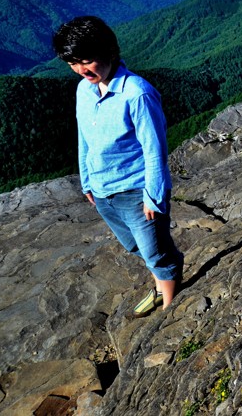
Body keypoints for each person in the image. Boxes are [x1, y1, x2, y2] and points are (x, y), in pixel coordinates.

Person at [53, 16, 183, 317]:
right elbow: (84, 137)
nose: (81, 70)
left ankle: (171, 307)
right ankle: (161, 283)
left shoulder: (137, 93)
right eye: (73, 63)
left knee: (156, 251)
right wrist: (86, 180)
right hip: (101, 190)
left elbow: (155, 149)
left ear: (109, 52)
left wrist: (154, 195)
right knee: (134, 246)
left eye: (87, 60)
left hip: (136, 190)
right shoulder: (83, 90)